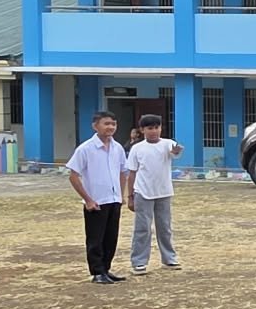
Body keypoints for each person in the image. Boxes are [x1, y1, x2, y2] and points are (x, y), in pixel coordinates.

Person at [66, 112, 128, 284]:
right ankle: (97, 272)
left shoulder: (118, 148)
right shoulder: (85, 149)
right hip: (96, 201)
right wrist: (88, 199)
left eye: (113, 124)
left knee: (111, 237)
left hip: (114, 199)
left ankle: (106, 269)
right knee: (95, 238)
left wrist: (121, 195)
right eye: (106, 123)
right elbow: (73, 175)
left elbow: (124, 172)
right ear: (95, 126)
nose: (110, 127)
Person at [122, 114, 184, 274]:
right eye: (150, 128)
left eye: (157, 127)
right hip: (143, 192)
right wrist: (130, 196)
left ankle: (169, 258)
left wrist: (176, 150)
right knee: (142, 228)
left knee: (164, 227)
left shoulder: (167, 143)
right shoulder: (137, 148)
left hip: (163, 192)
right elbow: (132, 173)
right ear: (142, 130)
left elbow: (175, 152)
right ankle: (139, 261)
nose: (154, 131)